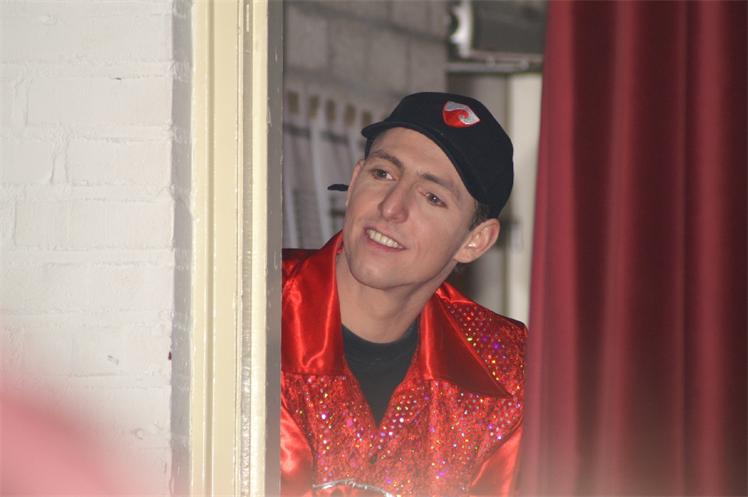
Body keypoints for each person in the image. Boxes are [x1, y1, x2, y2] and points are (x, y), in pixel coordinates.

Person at [281, 92, 526, 497]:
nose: (392, 207)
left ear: (476, 241)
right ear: (355, 181)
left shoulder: (504, 369)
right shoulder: (248, 306)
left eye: (432, 197)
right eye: (383, 174)